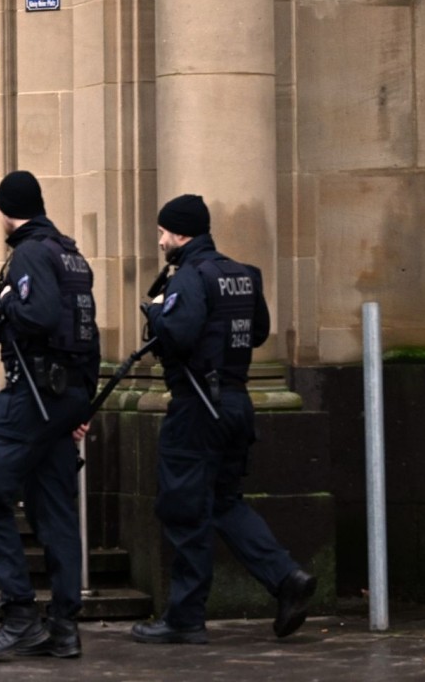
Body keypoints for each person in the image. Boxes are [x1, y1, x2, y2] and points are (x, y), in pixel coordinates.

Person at [131, 194, 316, 645]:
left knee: (184, 509)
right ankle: (286, 578)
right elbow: (256, 333)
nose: (159, 242)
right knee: (224, 502)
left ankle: (184, 618)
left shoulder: (190, 277)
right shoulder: (243, 275)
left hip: (196, 407)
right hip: (234, 403)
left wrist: (155, 311)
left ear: (180, 233)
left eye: (161, 233)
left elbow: (176, 333)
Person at [0, 170, 98, 662]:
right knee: (55, 508)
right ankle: (63, 626)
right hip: (65, 397)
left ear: (4, 212)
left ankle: (20, 615)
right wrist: (84, 405)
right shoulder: (72, 254)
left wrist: (3, 304)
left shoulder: (32, 253)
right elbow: (90, 335)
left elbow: (35, 315)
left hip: (31, 395)